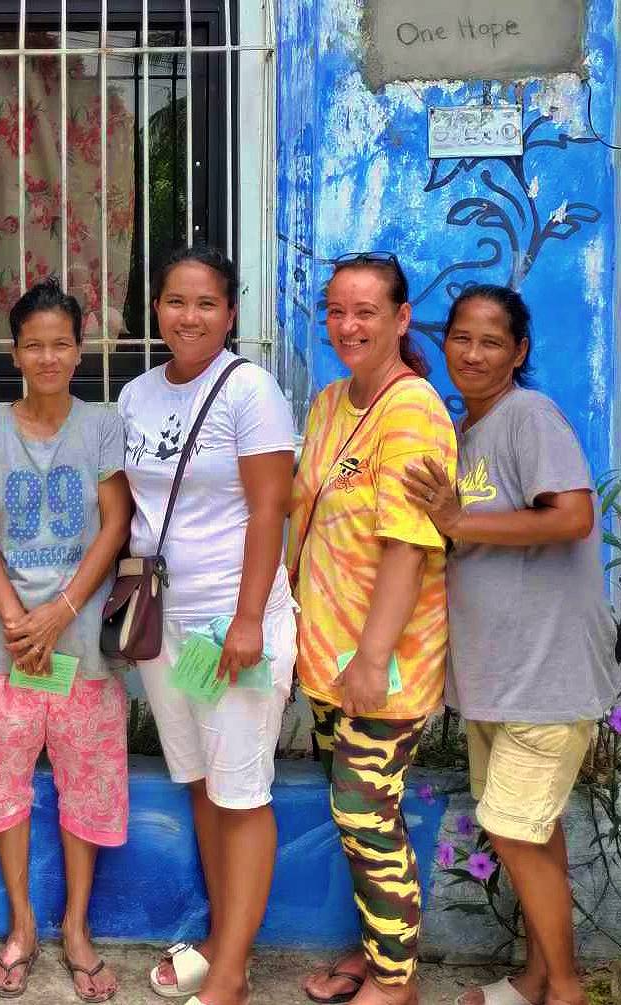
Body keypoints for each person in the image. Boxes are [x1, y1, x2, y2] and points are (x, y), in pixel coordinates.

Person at [404, 286, 620, 1005]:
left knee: (511, 827)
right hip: (500, 676)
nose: (471, 353)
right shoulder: (466, 433)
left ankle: (563, 991)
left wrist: (461, 522)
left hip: (547, 674)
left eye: (491, 341)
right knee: (532, 831)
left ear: (518, 352)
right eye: (460, 337)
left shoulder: (530, 416)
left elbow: (572, 515)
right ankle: (535, 977)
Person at [117, 247, 297, 1005]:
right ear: (154, 307)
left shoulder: (249, 391)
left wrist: (250, 619)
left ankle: (227, 977)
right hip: (166, 625)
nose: (188, 317)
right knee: (200, 781)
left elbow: (269, 507)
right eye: (174, 301)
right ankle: (228, 947)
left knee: (242, 791)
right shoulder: (136, 394)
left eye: (205, 304)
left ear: (230, 312)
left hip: (229, 622)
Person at [289, 253, 457, 1005]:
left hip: (384, 663)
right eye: (336, 311)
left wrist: (372, 653)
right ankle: (374, 950)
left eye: (365, 311)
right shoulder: (330, 403)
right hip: (326, 654)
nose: (347, 325)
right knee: (358, 814)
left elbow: (408, 541)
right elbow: (306, 515)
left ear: (400, 316)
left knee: (364, 811)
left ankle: (396, 982)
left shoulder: (413, 407)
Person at [0, 279, 130, 1003]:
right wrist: (13, 616)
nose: (49, 355)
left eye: (62, 342)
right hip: (5, 647)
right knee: (3, 790)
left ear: (81, 349)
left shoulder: (103, 424)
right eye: (35, 343)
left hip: (82, 645)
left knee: (87, 790)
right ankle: (23, 924)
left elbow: (116, 523)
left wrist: (59, 612)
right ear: (15, 350)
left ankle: (77, 927)